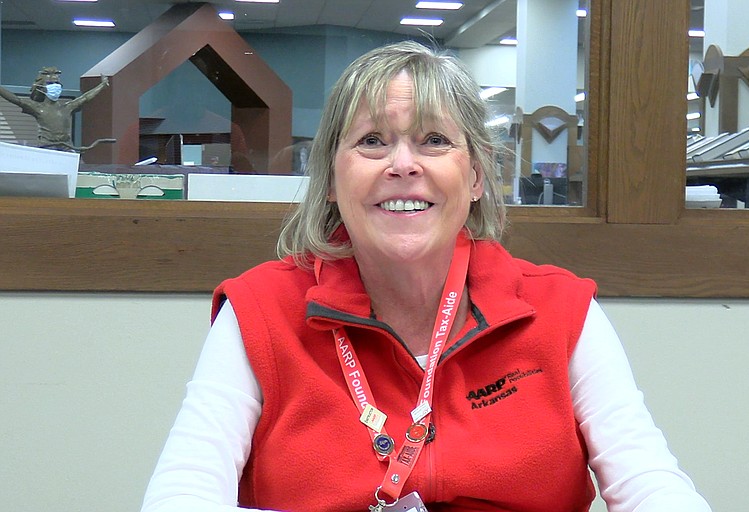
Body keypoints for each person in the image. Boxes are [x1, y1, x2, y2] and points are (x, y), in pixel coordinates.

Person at [141, 41, 712, 512]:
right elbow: (181, 495)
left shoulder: (560, 309)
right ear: (333, 181)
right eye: (372, 142)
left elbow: (650, 485)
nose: (403, 165)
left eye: (434, 141)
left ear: (478, 176)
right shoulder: (260, 310)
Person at [0, 66, 110, 151]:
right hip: (47, 147)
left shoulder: (67, 107)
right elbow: (16, 100)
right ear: (41, 88)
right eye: (50, 83)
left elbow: (85, 97)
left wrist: (102, 85)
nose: (55, 86)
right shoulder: (37, 108)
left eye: (56, 83)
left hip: (67, 147)